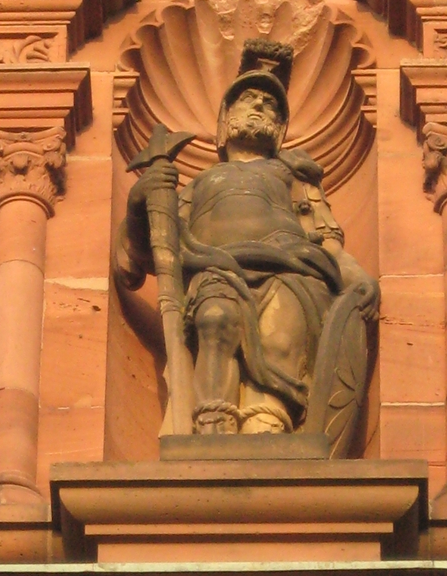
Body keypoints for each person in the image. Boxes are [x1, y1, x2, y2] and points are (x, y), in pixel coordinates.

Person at [116, 39, 379, 436]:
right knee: (214, 321)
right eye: (248, 99)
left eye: (270, 104)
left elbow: (327, 242)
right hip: (217, 267)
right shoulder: (200, 182)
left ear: (280, 127)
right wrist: (141, 200)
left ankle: (267, 425)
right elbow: (139, 259)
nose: (259, 106)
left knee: (279, 345)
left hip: (291, 270)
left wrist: (357, 277)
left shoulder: (294, 177)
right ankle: (212, 426)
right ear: (226, 118)